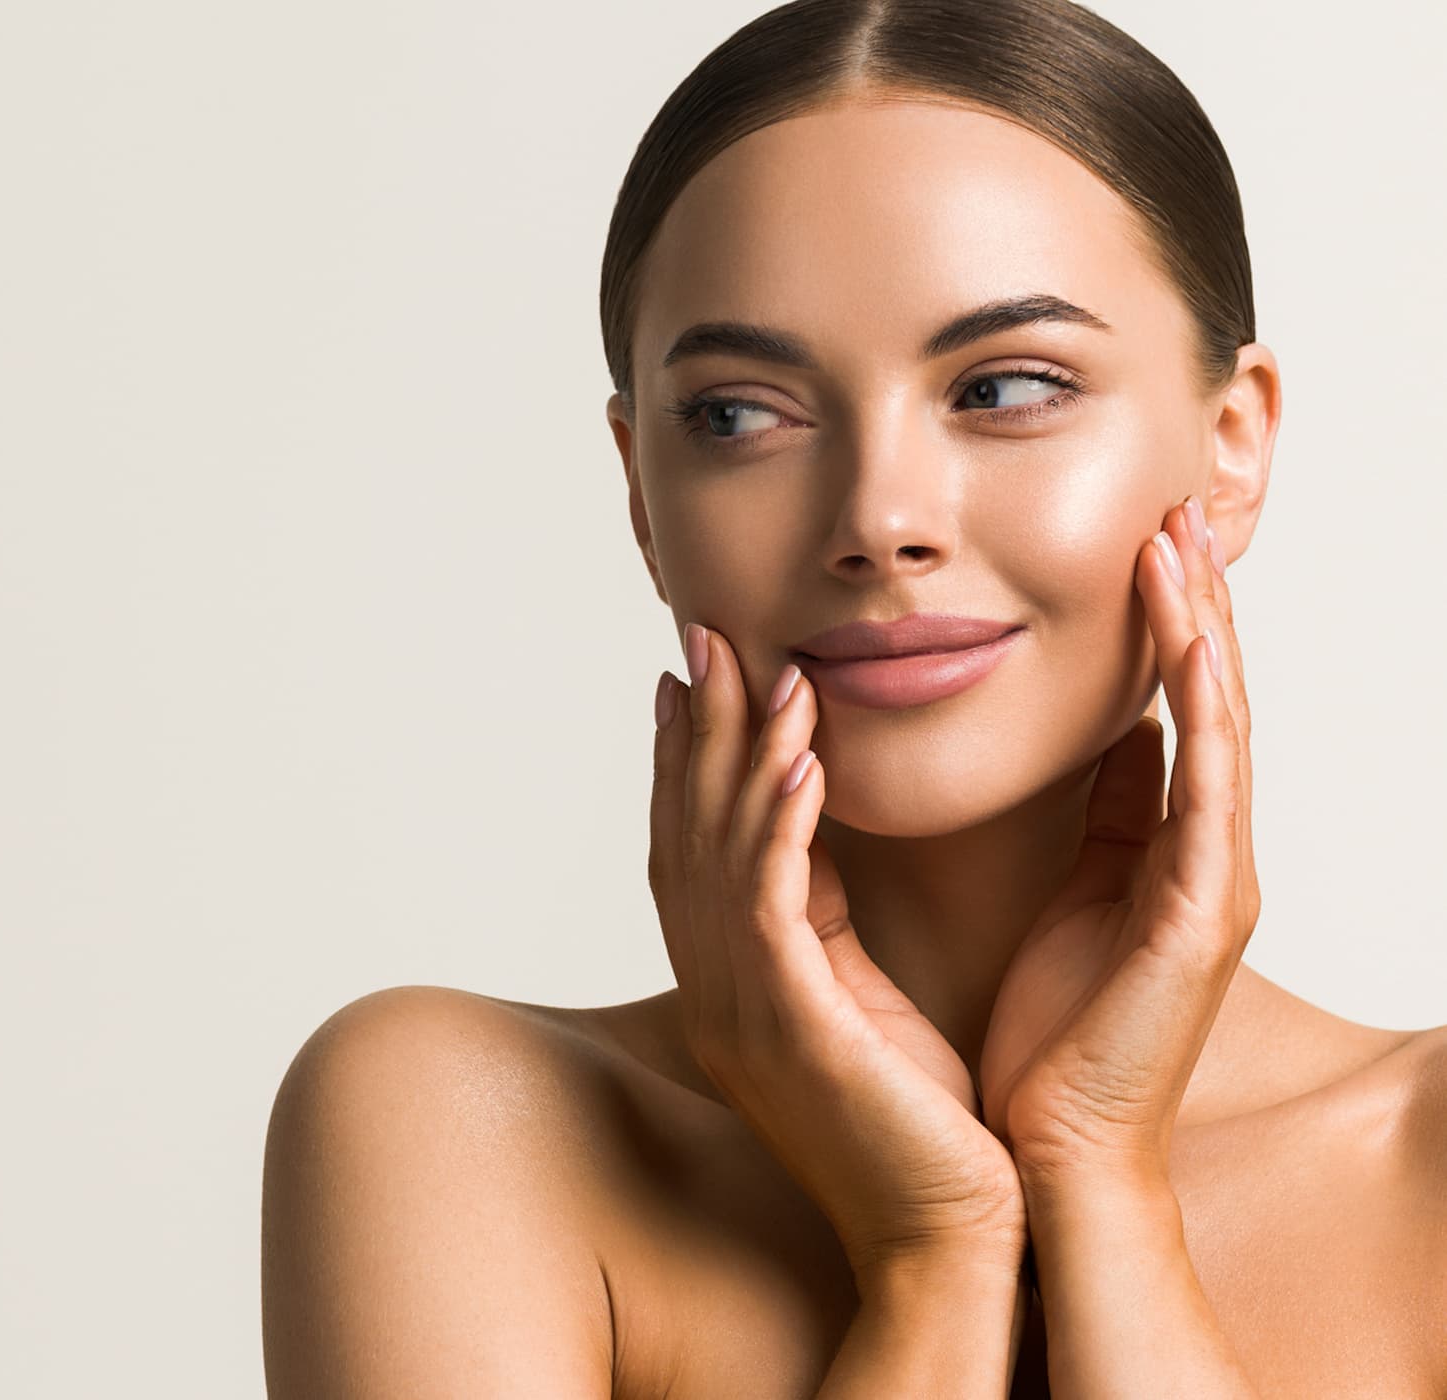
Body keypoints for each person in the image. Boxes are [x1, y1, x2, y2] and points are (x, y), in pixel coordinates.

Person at [260, 1, 1446, 1394]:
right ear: (642, 493)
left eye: (1005, 386)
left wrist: (1103, 1184)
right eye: (742, 414)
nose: (880, 519)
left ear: (1231, 445)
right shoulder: (459, 1127)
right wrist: (933, 1249)